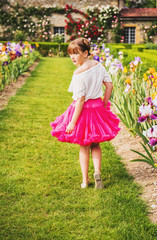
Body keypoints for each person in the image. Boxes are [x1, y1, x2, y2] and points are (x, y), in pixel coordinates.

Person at [50, 38, 120, 189]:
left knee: (84, 146)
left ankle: (85, 180)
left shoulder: (79, 73)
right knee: (96, 143)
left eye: (76, 53)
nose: (73, 57)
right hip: (97, 108)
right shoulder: (99, 66)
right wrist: (105, 103)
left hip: (83, 111)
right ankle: (97, 172)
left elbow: (80, 100)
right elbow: (109, 86)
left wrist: (73, 122)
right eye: (70, 54)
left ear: (86, 53)